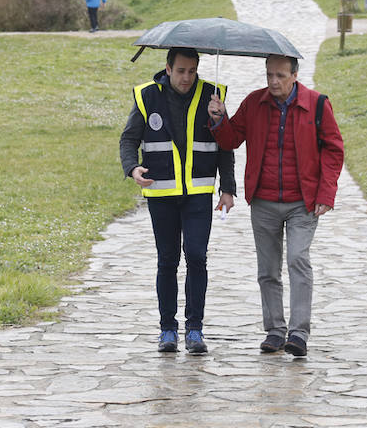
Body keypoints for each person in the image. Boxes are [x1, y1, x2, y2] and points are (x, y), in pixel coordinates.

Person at [207, 54, 344, 357]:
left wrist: (326, 193)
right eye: (269, 75)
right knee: (267, 270)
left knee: (298, 260)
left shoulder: (317, 104)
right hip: (264, 201)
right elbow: (231, 140)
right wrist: (218, 119)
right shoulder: (255, 103)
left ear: (295, 75)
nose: (273, 82)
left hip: (302, 202)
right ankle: (274, 331)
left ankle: (298, 334)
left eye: (281, 75)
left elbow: (334, 150)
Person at [120, 47, 236, 354]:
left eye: (192, 71)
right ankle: (167, 330)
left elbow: (226, 145)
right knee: (167, 260)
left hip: (198, 193)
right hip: (161, 193)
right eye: (181, 71)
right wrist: (132, 168)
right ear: (168, 69)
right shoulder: (147, 97)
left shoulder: (213, 96)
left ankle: (194, 330)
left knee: (197, 256)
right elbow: (129, 138)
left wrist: (228, 187)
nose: (187, 78)